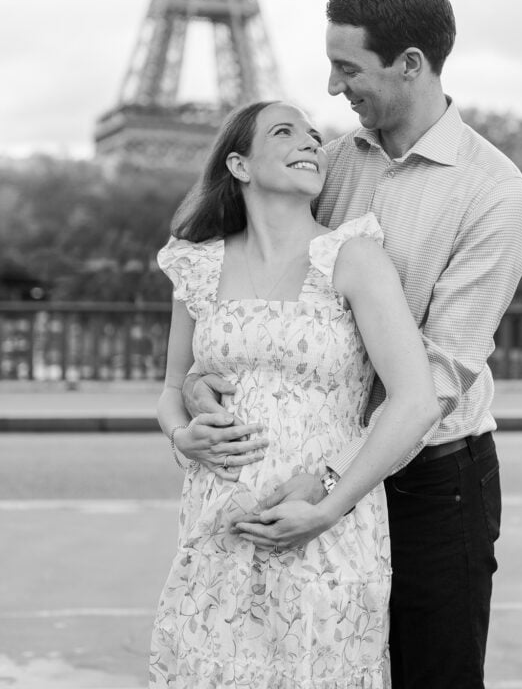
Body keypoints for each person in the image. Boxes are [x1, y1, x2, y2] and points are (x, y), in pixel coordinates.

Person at [185, 0, 522, 689]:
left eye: (349, 68)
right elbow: (272, 296)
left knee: (431, 675)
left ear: (411, 64)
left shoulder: (493, 193)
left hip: (434, 482)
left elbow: (436, 379)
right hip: (320, 478)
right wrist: (206, 378)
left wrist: (330, 482)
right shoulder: (330, 163)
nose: (334, 88)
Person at [150, 98, 439, 688]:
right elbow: (172, 388)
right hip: (217, 530)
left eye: (313, 133)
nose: (310, 141)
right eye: (285, 132)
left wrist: (329, 506)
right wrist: (184, 434)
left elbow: (415, 401)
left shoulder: (354, 257)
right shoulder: (198, 268)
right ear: (239, 165)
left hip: (323, 535)